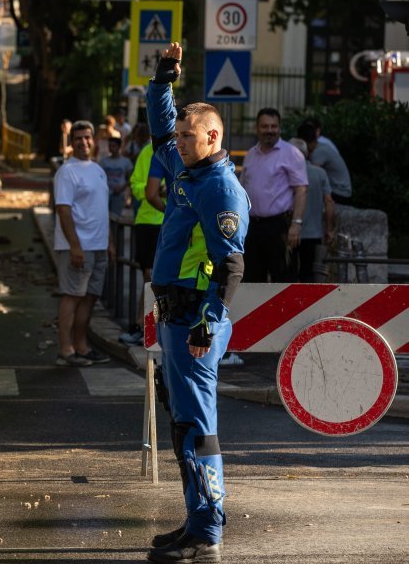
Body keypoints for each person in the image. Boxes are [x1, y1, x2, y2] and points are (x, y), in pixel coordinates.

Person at [145, 42, 250, 563]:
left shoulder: (221, 189)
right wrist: (163, 79)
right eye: (182, 137)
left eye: (192, 137)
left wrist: (208, 324)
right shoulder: (187, 169)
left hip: (194, 319)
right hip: (175, 313)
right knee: (182, 421)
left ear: (215, 137)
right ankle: (195, 519)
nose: (181, 143)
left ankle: (207, 529)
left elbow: (231, 265)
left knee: (196, 427)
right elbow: (160, 127)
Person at [53, 120, 114, 367]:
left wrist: (109, 242)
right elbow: (64, 210)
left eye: (87, 137)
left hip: (98, 246)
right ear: (72, 142)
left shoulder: (98, 169)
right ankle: (66, 350)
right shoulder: (67, 171)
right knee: (72, 296)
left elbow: (101, 209)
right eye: (78, 138)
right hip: (78, 248)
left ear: (94, 140)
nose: (83, 142)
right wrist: (75, 246)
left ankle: (82, 346)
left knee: (89, 298)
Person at [241, 108, 307, 283]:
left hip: (279, 227)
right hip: (253, 227)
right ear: (257, 128)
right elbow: (243, 187)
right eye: (265, 126)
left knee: (283, 279)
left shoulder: (292, 153)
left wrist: (296, 224)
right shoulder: (250, 155)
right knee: (252, 279)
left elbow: (301, 190)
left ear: (279, 128)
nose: (269, 130)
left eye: (273, 126)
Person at [119, 143, 162, 346]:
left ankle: (152, 327)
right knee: (151, 278)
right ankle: (142, 326)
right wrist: (149, 191)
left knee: (163, 279)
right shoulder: (147, 151)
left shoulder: (185, 146)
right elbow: (135, 184)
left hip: (175, 223)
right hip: (148, 223)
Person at [289, 137, 335, 283]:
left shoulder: (285, 174)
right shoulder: (320, 173)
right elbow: (328, 202)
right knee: (308, 275)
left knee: (288, 274)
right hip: (314, 233)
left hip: (289, 232)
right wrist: (329, 229)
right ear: (306, 153)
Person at [298, 120, 352, 205]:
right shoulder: (320, 146)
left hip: (340, 193)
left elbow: (312, 178)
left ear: (303, 142)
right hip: (340, 191)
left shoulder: (318, 153)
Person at [99, 137, 133, 218]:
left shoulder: (126, 162)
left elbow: (131, 178)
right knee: (104, 217)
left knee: (116, 218)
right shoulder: (103, 161)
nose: (111, 148)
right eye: (110, 146)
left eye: (114, 146)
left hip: (119, 195)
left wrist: (122, 188)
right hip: (105, 194)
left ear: (119, 147)